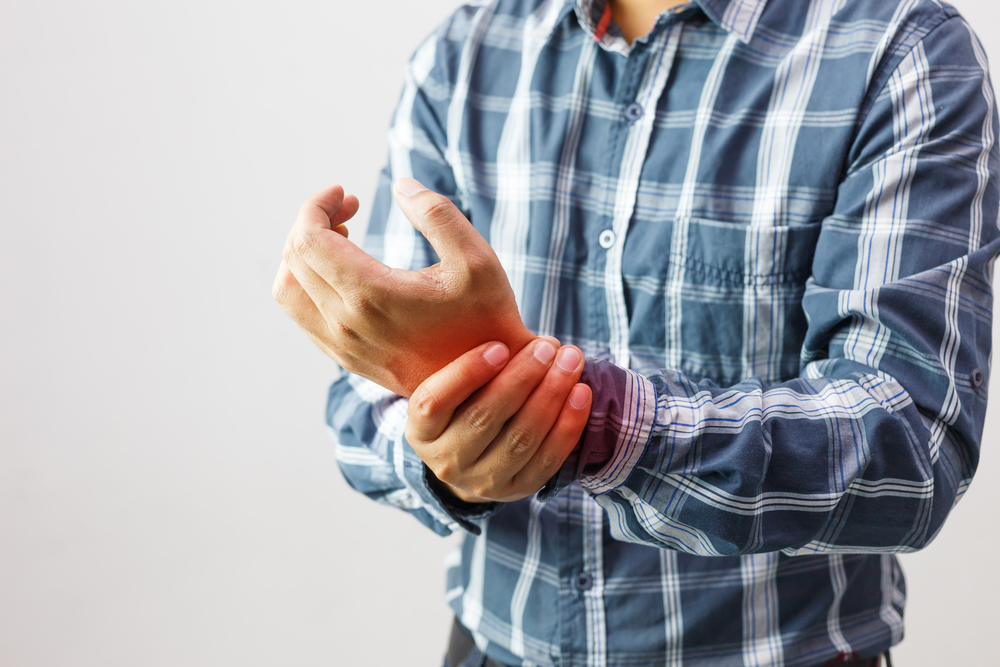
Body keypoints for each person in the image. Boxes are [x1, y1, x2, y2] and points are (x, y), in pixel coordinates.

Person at [273, 0, 1000, 665]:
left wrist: (595, 425)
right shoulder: (462, 54)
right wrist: (442, 442)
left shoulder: (901, 53)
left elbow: (910, 442)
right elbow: (363, 410)